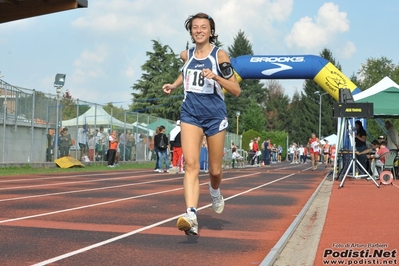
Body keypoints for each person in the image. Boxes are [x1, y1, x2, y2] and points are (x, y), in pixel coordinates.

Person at [162, 12, 241, 236]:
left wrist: (216, 77)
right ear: (191, 31)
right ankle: (191, 215)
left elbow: (236, 90)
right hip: (190, 114)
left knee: (215, 170)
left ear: (211, 32)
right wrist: (175, 85)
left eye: (203, 27)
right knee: (191, 165)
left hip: (215, 116)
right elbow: (186, 70)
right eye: (195, 27)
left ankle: (215, 190)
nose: (199, 30)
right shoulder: (186, 55)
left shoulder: (220, 55)